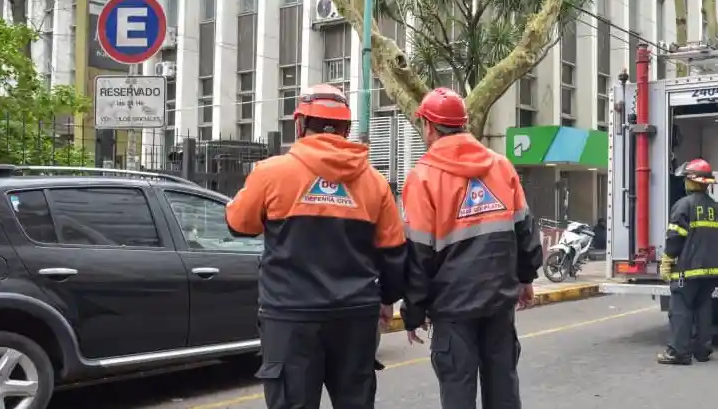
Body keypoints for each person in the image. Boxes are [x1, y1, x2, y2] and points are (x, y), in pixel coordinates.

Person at [225, 84, 406, 409]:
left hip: (290, 317)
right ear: (346, 129)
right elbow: (394, 251)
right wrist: (388, 299)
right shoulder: (374, 182)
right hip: (355, 317)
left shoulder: (271, 173)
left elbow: (240, 224)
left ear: (299, 124)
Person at [401, 87, 544, 409]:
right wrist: (525, 279)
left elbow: (418, 255)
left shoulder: (422, 177)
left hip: (452, 310)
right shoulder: (501, 166)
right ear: (464, 124)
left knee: (457, 393)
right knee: (503, 388)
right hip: (499, 304)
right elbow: (525, 231)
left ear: (428, 126)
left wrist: (414, 312)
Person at [657, 158, 718, 365]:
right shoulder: (715, 208)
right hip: (711, 270)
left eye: (687, 179)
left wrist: (668, 260)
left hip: (688, 270)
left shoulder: (683, 205)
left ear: (692, 181)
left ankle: (678, 352)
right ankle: (702, 350)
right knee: (703, 309)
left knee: (680, 309)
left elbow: (675, 237)